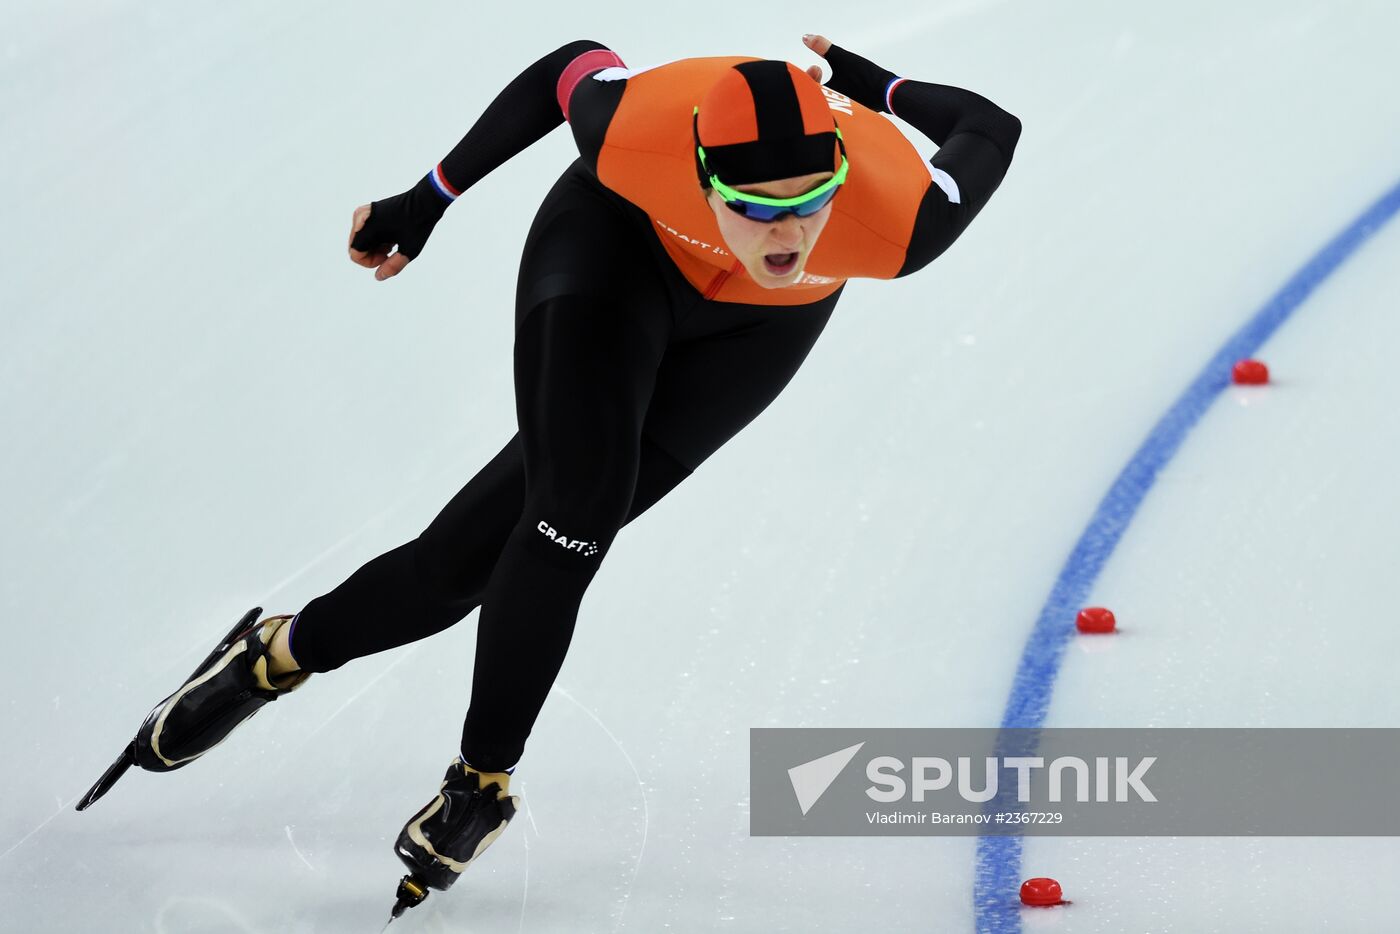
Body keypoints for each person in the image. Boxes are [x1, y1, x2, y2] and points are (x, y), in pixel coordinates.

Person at [79, 33, 1021, 917]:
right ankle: (465, 774)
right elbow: (567, 67)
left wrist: (870, 82)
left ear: (842, 177)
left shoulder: (900, 221)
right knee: (566, 516)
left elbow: (990, 126)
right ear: (702, 173)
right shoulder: (640, 130)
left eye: (807, 203)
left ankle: (286, 657)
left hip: (755, 334)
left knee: (475, 561)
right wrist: (427, 199)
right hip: (614, 250)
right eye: (757, 207)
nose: (785, 238)